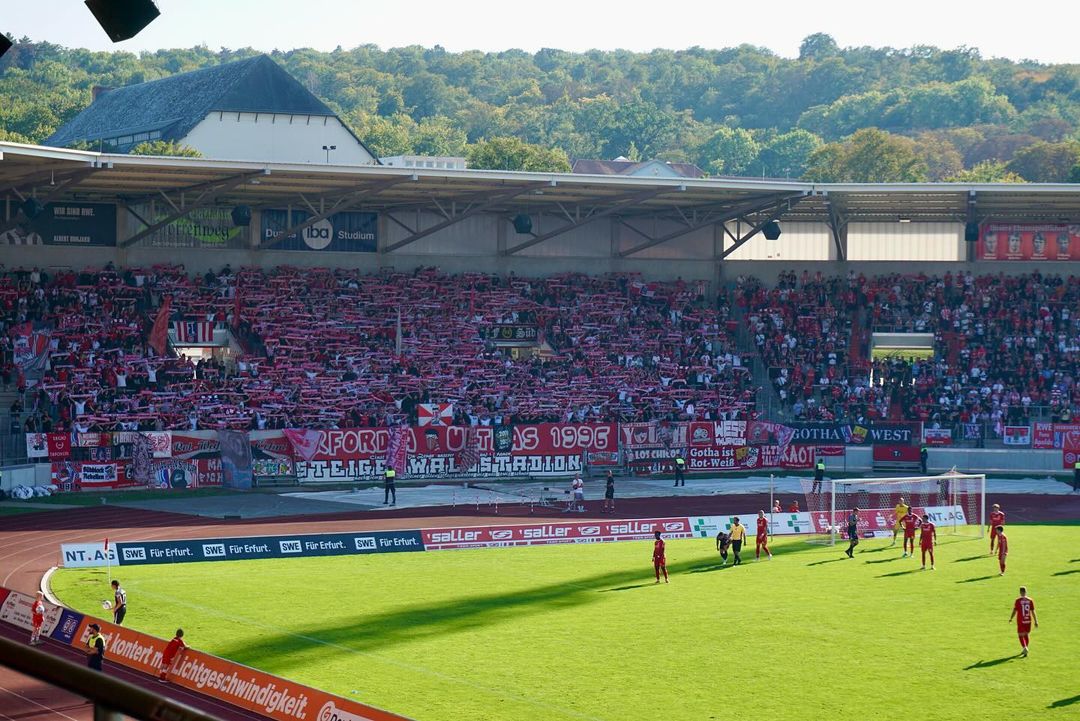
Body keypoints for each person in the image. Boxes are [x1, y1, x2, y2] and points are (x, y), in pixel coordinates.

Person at [1008, 586, 1038, 657]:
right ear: (1026, 591)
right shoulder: (1030, 600)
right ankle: (1025, 650)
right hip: (1028, 620)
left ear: (1020, 592)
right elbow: (1033, 611)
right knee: (1026, 634)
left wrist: (1011, 618)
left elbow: (1015, 610)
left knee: (1020, 635)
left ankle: (1025, 647)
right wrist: (1036, 621)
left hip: (1021, 620)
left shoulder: (1018, 601)